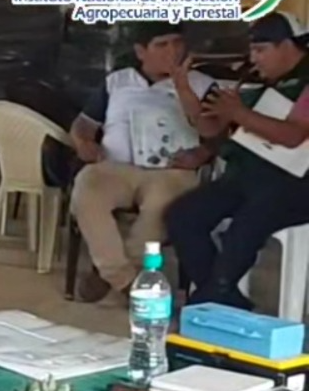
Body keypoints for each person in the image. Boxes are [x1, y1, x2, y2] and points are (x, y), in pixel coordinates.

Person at [164, 11, 309, 309]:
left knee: (244, 226)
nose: (254, 58)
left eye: (261, 50)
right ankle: (223, 298)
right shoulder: (255, 82)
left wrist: (240, 114)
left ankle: (210, 298)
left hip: (296, 185)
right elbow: (210, 128)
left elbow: (294, 135)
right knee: (183, 215)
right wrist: (183, 88)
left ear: (287, 46)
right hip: (248, 176)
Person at [67, 21, 218, 304]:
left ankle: (109, 274)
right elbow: (83, 125)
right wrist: (84, 142)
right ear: (141, 51)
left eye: (177, 43)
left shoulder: (203, 84)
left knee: (163, 205)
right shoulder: (117, 82)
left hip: (171, 171)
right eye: (162, 45)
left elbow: (215, 134)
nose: (172, 51)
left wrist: (201, 153)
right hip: (117, 168)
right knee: (87, 186)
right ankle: (125, 279)